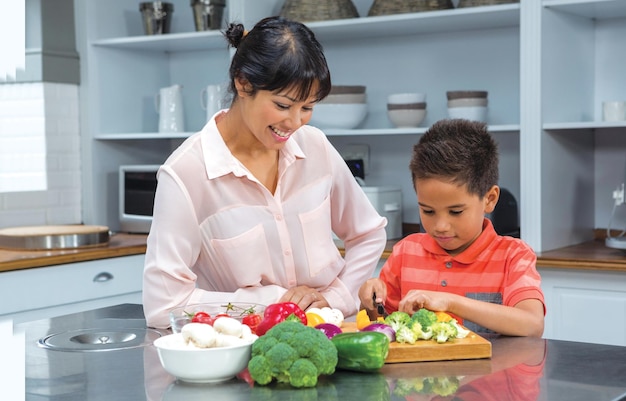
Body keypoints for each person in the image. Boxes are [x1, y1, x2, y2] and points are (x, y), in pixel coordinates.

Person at [142, 16, 387, 329]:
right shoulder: (186, 174)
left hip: (335, 335)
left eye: (307, 107)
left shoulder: (315, 147)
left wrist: (337, 296)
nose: (296, 122)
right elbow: (164, 305)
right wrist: (269, 303)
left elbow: (367, 233)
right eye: (283, 106)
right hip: (246, 352)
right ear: (244, 83)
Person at [359, 119, 545, 336]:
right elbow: (383, 323)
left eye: (456, 212)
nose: (441, 226)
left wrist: (451, 302)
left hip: (491, 370)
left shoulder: (513, 255)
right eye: (428, 211)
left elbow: (532, 324)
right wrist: (370, 303)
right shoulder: (405, 252)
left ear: (490, 199)